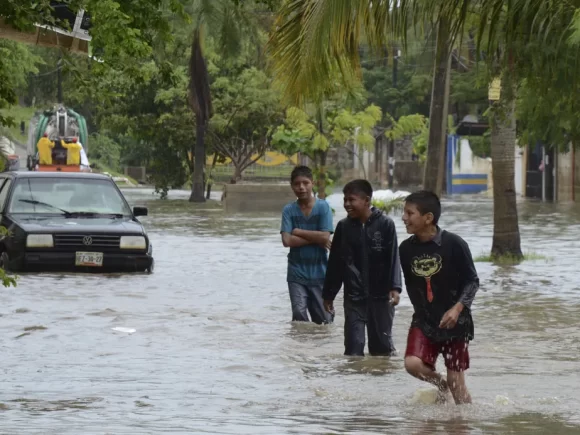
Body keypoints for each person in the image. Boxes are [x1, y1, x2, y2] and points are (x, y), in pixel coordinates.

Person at [399, 190, 479, 405]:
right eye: (404, 212)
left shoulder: (454, 244)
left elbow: (472, 281)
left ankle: (462, 424)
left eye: (409, 213)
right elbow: (411, 285)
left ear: (428, 218)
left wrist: (457, 308)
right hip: (424, 319)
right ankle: (439, 384)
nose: (404, 218)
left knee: (457, 383)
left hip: (456, 322)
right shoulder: (405, 249)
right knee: (412, 364)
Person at [322, 179, 402, 356]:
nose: (347, 204)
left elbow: (393, 259)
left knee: (381, 349)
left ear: (366, 200)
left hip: (381, 297)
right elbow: (335, 264)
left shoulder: (385, 225)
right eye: (345, 200)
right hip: (354, 297)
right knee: (353, 348)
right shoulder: (343, 227)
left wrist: (395, 288)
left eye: (351, 200)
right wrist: (328, 294)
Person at [280, 165, 334, 325]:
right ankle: (299, 348)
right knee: (299, 315)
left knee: (324, 321)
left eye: (305, 183)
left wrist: (297, 231)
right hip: (296, 271)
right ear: (292, 186)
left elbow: (325, 235)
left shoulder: (323, 207)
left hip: (320, 272)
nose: (301, 187)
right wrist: (317, 238)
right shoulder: (288, 210)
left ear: (313, 183)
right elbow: (286, 241)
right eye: (297, 184)